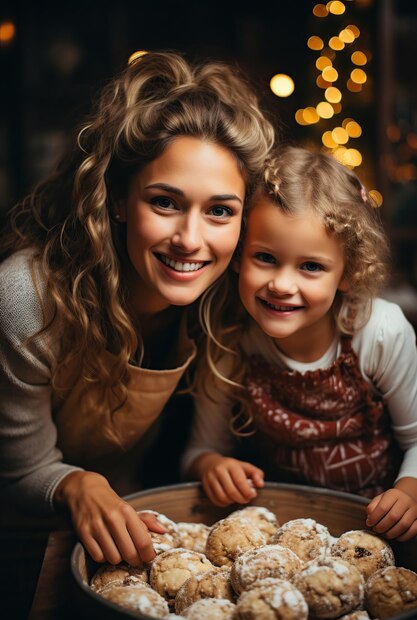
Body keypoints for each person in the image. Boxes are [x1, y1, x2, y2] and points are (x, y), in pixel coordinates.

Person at [0, 50, 275, 568]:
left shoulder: (227, 302)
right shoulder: (26, 300)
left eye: (220, 211)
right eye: (165, 202)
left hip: (132, 525)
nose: (190, 239)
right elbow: (16, 472)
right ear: (120, 201)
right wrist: (76, 485)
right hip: (18, 544)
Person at [183, 145, 417, 542]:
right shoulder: (230, 343)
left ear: (348, 271)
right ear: (239, 255)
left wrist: (409, 491)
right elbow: (197, 451)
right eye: (266, 258)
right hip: (280, 538)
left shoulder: (380, 332)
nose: (282, 285)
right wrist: (212, 466)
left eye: (311, 266)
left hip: (374, 532)